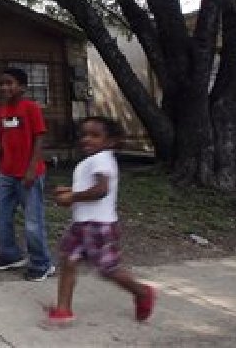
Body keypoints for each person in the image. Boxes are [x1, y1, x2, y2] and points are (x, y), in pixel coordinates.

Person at [48, 116, 155, 325]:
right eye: (84, 135)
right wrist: (71, 191)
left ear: (110, 141)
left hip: (98, 226)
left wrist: (72, 197)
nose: (87, 139)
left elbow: (101, 190)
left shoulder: (102, 159)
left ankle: (142, 292)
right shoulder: (93, 160)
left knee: (108, 269)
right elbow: (93, 188)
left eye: (95, 135)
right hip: (81, 224)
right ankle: (63, 309)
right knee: (68, 260)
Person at [0, 67, 55, 281]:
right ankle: (10, 254)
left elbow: (39, 139)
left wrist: (32, 169)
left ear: (22, 87)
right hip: (6, 173)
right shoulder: (1, 111)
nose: (5, 87)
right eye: (1, 84)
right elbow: (1, 141)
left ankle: (42, 263)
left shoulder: (31, 108)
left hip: (28, 174)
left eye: (10, 83)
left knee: (33, 221)